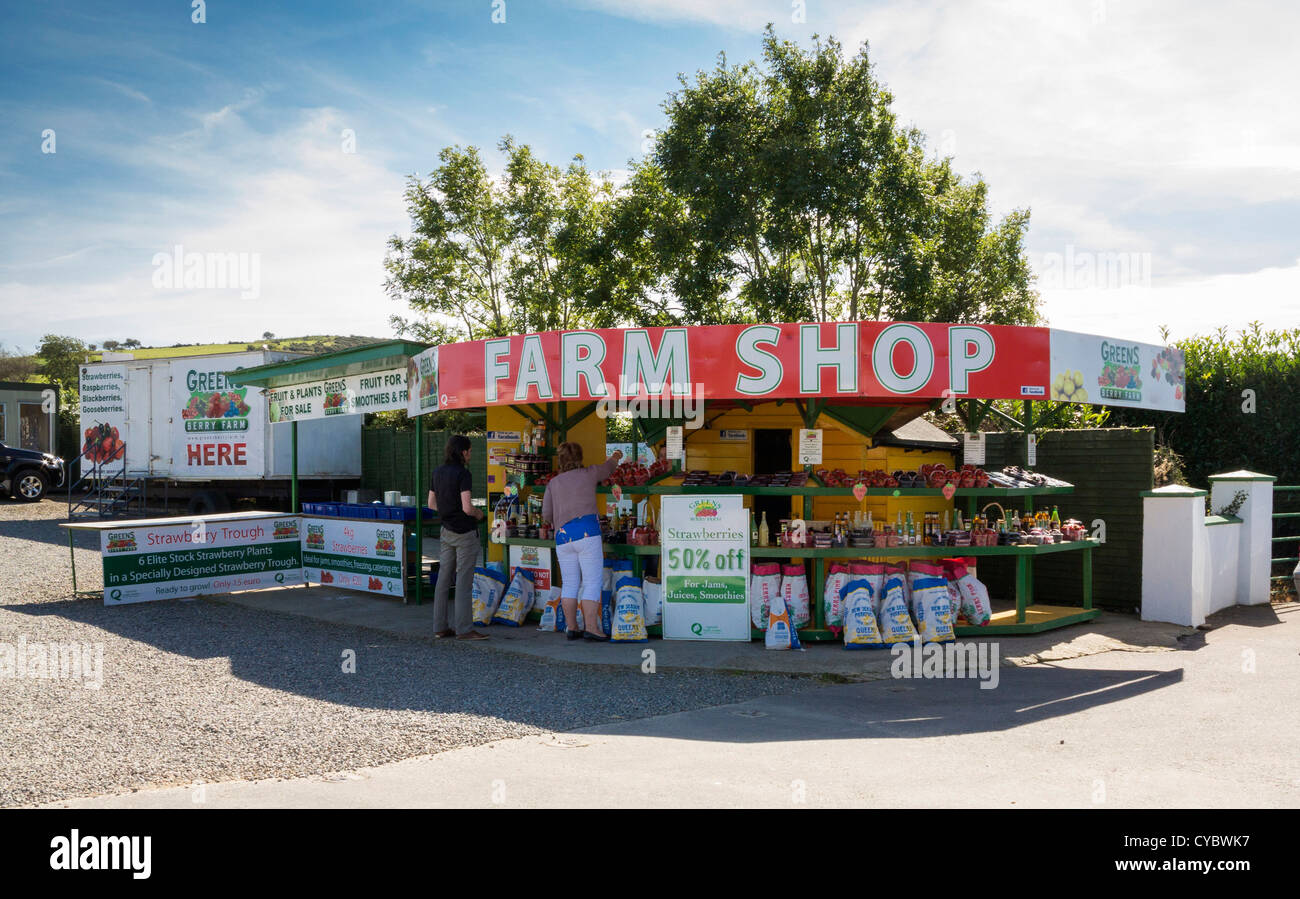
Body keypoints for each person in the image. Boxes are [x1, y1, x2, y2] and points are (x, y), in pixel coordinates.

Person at [541, 442, 622, 641]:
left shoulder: (553, 483)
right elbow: (608, 468)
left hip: (562, 537)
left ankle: (572, 628)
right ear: (580, 458)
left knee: (569, 583)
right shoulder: (589, 473)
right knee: (592, 582)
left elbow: (546, 515)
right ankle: (592, 628)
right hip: (587, 534)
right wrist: (616, 457)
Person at [428, 434, 487, 640]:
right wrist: (480, 514)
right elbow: (467, 507)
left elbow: (431, 504)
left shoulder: (437, 472)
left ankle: (440, 627)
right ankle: (464, 628)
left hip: (446, 531)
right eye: (469, 451)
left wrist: (447, 512)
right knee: (463, 581)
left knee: (444, 579)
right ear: (463, 452)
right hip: (465, 532)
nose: (470, 455)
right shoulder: (463, 474)